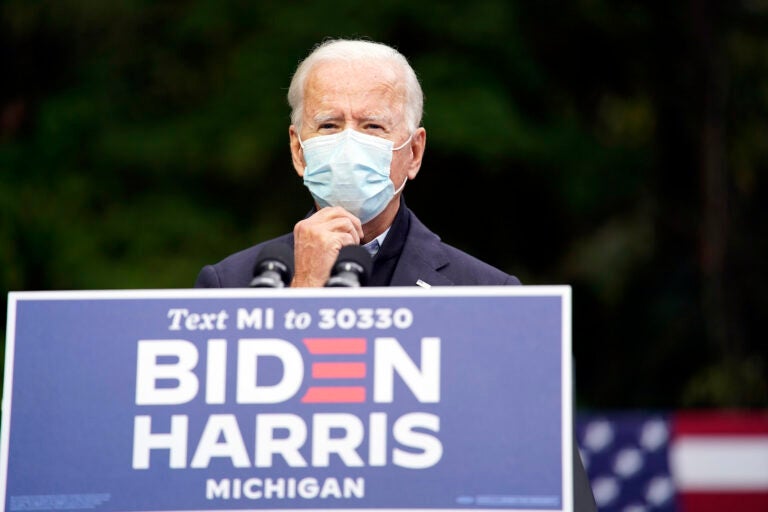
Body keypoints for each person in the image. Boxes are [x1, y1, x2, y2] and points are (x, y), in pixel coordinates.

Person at [195, 38, 596, 511]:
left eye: (372, 126)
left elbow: (551, 485)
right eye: (328, 125)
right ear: (298, 150)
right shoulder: (231, 284)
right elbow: (212, 462)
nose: (348, 143)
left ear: (414, 152)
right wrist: (300, 294)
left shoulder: (489, 297)